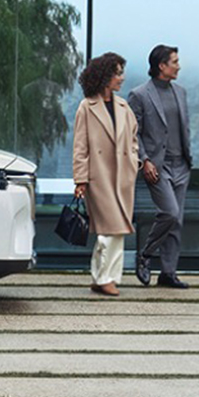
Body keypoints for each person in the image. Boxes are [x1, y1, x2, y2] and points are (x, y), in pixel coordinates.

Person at [72, 53, 140, 296]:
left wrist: (133, 160)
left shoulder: (123, 106)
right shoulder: (86, 107)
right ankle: (106, 278)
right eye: (117, 73)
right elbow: (80, 146)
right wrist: (80, 179)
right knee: (109, 229)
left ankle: (101, 276)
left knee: (116, 229)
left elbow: (133, 138)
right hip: (98, 177)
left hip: (122, 177)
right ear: (105, 76)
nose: (121, 78)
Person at [128, 44, 191, 289]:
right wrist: (145, 161)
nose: (179, 65)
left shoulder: (181, 92)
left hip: (181, 165)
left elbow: (184, 128)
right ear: (161, 66)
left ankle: (168, 273)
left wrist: (188, 159)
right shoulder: (140, 94)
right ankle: (145, 254)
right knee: (169, 213)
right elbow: (134, 133)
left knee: (177, 222)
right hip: (157, 166)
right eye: (174, 61)